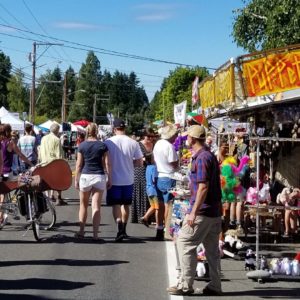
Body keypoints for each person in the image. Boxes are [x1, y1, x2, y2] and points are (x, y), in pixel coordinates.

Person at [167, 125, 222, 296]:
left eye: (187, 137)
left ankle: (185, 284)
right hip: (213, 211)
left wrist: (193, 212)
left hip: (203, 211)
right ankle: (215, 285)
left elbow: (203, 187)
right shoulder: (208, 155)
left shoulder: (202, 158)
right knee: (212, 250)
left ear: (193, 138)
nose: (186, 139)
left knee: (184, 242)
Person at [104, 118, 143, 242]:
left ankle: (119, 226)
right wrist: (130, 164)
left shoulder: (108, 142)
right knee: (126, 205)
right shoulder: (133, 142)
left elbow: (104, 160)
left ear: (114, 129)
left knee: (116, 204)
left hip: (113, 178)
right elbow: (139, 162)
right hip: (128, 178)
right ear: (124, 128)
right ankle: (124, 230)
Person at [74, 123, 111, 241]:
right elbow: (106, 163)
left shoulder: (82, 145)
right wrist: (109, 177)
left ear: (87, 132)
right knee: (96, 206)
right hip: (99, 176)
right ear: (97, 131)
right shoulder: (102, 145)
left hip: (85, 176)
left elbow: (79, 165)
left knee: (83, 205)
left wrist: (76, 179)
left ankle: (81, 231)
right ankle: (95, 235)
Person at [153, 124, 178, 240]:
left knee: (160, 205)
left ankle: (159, 228)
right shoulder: (169, 146)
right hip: (168, 175)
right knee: (169, 204)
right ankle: (166, 230)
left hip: (159, 175)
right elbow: (173, 162)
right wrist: (178, 163)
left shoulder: (158, 144)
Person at [131, 128, 156, 224]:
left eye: (152, 136)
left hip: (150, 169)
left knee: (149, 191)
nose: (150, 138)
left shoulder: (153, 144)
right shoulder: (138, 145)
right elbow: (134, 158)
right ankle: (140, 215)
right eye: (148, 136)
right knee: (141, 190)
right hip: (140, 169)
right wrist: (143, 158)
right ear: (144, 136)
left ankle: (149, 216)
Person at [38, 123, 67, 206]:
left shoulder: (43, 138)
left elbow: (40, 150)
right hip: (54, 162)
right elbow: (59, 154)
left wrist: (40, 160)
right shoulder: (57, 139)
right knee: (58, 180)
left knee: (47, 180)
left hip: (44, 162)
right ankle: (59, 198)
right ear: (57, 130)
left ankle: (50, 196)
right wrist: (62, 163)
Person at [140, 155, 162, 239]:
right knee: (158, 208)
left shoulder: (147, 167)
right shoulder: (153, 167)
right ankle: (158, 223)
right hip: (154, 189)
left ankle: (145, 217)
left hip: (148, 189)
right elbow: (154, 179)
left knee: (153, 206)